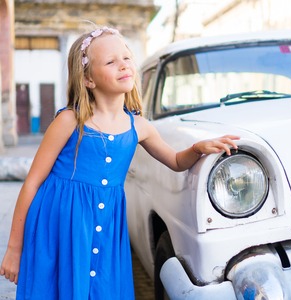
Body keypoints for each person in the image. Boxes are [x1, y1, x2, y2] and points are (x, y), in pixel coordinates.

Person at [0, 26, 239, 299]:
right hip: (61, 224)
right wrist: (14, 249)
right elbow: (32, 183)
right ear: (88, 79)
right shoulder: (69, 121)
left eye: (126, 57)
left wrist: (197, 149)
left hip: (106, 224)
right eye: (111, 62)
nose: (123, 65)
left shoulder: (140, 127)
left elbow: (174, 160)